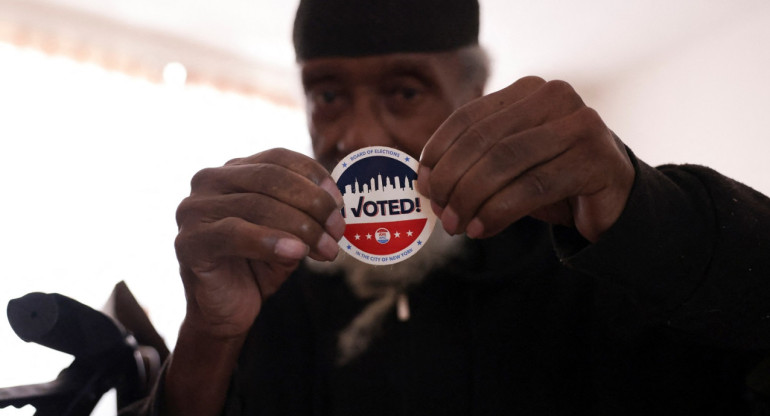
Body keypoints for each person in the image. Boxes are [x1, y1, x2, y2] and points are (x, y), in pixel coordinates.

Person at [122, 0, 770, 414]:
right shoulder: (278, 286)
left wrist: (651, 211)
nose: (357, 137)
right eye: (327, 97)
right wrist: (209, 337)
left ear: (473, 92)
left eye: (404, 91)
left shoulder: (591, 267)